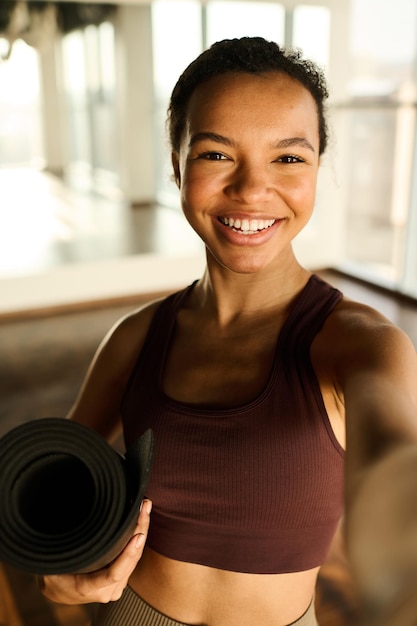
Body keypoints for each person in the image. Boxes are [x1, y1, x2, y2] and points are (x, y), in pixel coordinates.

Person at [39, 37, 417, 626]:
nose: (250, 190)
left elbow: (393, 451)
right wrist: (58, 575)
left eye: (289, 158)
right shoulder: (137, 336)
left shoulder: (362, 344)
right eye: (216, 155)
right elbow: (51, 485)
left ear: (318, 168)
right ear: (176, 164)